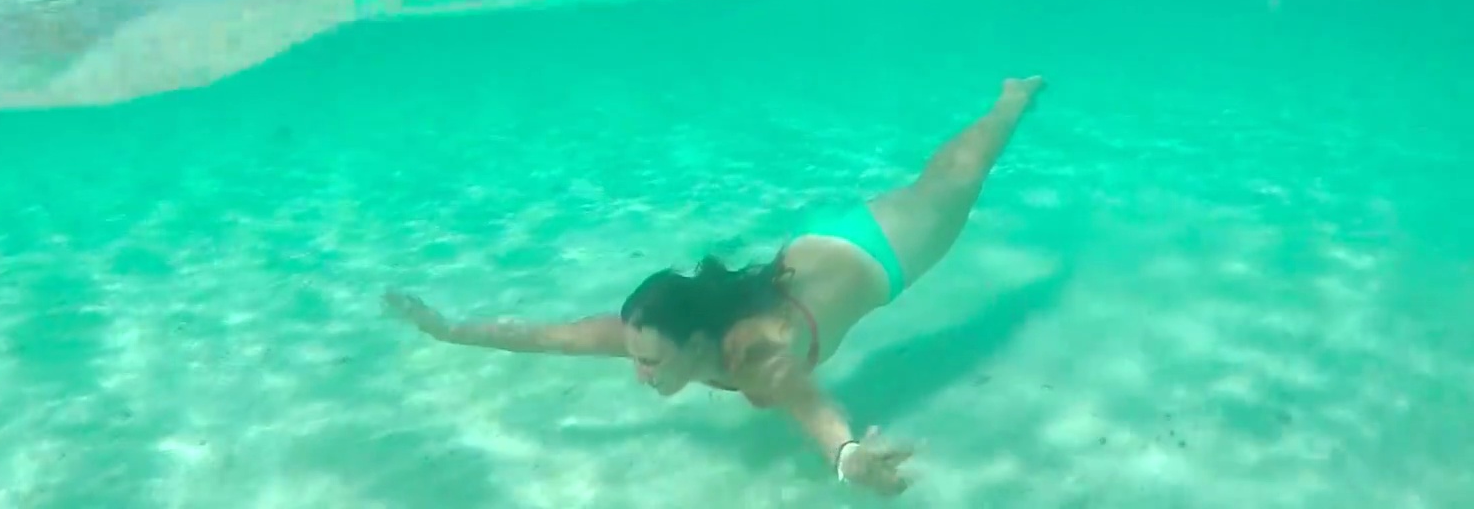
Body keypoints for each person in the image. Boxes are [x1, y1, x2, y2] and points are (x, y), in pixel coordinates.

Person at [385, 76, 1046, 497]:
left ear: (701, 340)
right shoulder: (655, 332)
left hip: (883, 253)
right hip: (809, 249)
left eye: (650, 360)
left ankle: (1012, 98)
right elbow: (545, 337)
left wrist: (848, 459)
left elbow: (811, 407)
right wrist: (448, 329)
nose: (639, 371)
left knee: (955, 179)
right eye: (639, 356)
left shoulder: (753, 358)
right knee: (934, 180)